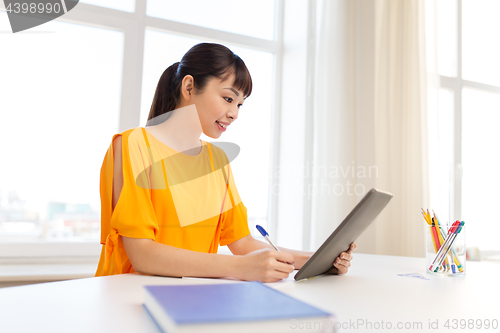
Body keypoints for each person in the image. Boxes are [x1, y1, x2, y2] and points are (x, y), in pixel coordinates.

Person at [95, 42, 356, 283]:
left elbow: (241, 242)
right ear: (188, 88)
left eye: (240, 105)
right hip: (129, 300)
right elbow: (143, 255)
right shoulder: (132, 144)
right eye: (228, 99)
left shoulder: (216, 160)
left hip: (191, 299)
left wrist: (316, 260)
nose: (234, 114)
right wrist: (240, 268)